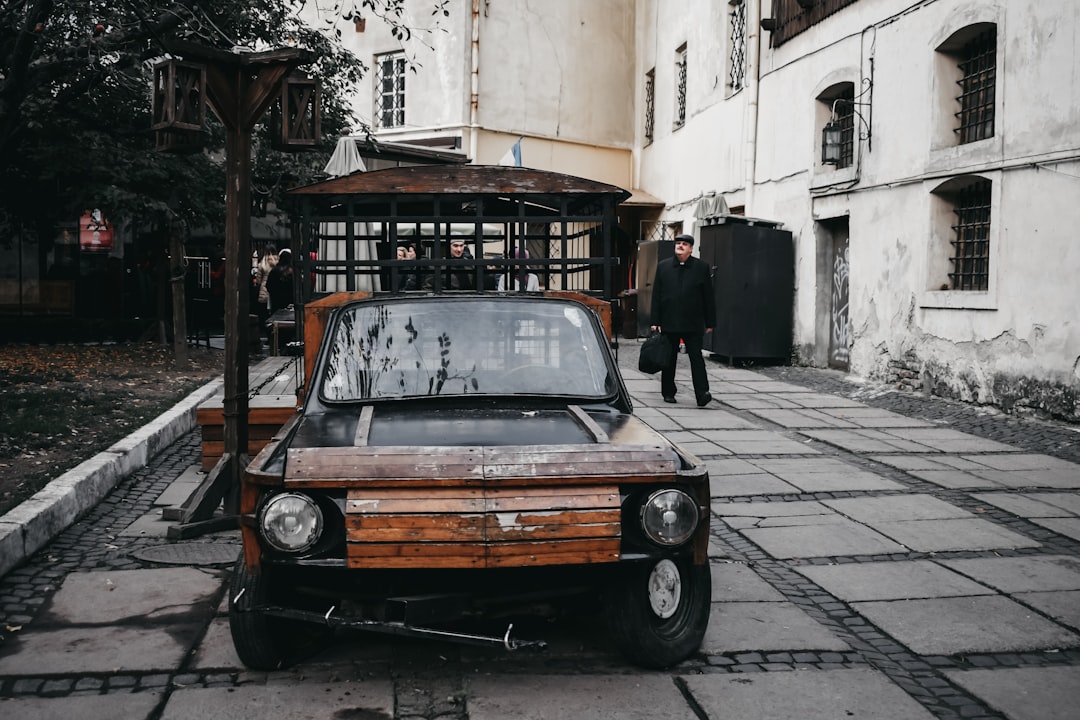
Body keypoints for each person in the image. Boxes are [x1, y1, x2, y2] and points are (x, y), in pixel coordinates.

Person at [649, 233, 715, 407]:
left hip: (692, 322)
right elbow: (656, 295)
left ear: (691, 248)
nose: (680, 246)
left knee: (697, 359)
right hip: (669, 321)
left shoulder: (701, 267)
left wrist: (710, 322)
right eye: (678, 243)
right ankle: (668, 392)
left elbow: (708, 296)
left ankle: (702, 393)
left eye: (684, 244)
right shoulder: (663, 267)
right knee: (669, 359)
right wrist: (655, 320)